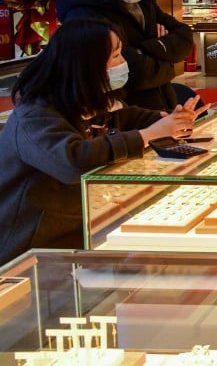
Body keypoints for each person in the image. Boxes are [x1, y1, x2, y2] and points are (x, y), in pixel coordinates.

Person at [0, 18, 205, 264]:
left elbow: (126, 117)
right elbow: (73, 162)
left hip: (81, 229)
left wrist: (168, 120)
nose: (123, 63)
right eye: (116, 55)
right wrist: (150, 134)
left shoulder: (86, 99)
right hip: (30, 248)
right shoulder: (34, 116)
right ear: (85, 64)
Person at [55, 0, 194, 111]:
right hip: (121, 115)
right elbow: (134, 72)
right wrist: (168, 62)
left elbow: (184, 37)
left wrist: (146, 48)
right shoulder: (83, 11)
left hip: (160, 105)